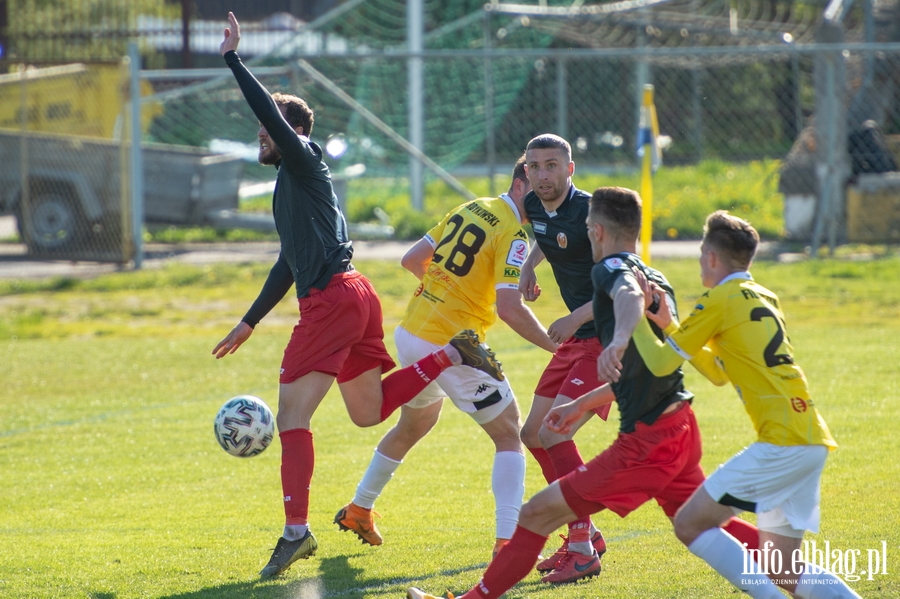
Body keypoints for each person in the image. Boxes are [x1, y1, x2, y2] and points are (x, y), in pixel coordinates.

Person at [214, 12, 504, 580]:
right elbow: (285, 263)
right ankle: (451, 354)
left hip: (333, 300)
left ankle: (295, 533)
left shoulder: (304, 160)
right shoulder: (288, 184)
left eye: (266, 130)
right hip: (352, 296)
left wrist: (233, 59)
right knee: (368, 413)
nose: (260, 136)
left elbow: (273, 116)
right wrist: (250, 321)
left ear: (290, 134)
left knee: (293, 416)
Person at [406, 187, 759, 599]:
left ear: (594, 230)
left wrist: (618, 339)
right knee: (702, 522)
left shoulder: (611, 269)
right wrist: (584, 402)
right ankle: (815, 581)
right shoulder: (656, 276)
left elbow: (625, 295)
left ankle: (568, 549)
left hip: (647, 441)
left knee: (536, 513)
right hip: (678, 424)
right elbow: (650, 370)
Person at [625, 210, 859, 599]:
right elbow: (719, 371)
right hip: (810, 437)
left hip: (782, 443)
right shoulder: (765, 296)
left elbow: (661, 362)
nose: (701, 261)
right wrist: (668, 325)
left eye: (702, 254)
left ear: (713, 257)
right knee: (784, 569)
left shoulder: (719, 298)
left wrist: (632, 317)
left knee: (690, 525)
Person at [334, 156, 559, 558]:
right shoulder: (514, 233)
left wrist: (451, 291)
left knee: (417, 422)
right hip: (452, 346)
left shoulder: (471, 207)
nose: (545, 192)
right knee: (509, 433)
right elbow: (509, 308)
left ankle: (359, 509)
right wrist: (554, 346)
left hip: (412, 332)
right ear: (521, 185)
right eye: (539, 183)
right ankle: (508, 542)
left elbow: (412, 260)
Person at [517, 133, 610, 583]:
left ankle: (580, 546)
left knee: (554, 431)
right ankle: (587, 530)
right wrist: (531, 264)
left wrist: (576, 316)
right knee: (532, 433)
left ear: (570, 169)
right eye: (534, 166)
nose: (543, 175)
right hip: (577, 338)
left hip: (607, 338)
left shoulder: (594, 214)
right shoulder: (534, 206)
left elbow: (628, 282)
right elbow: (545, 235)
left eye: (552, 165)